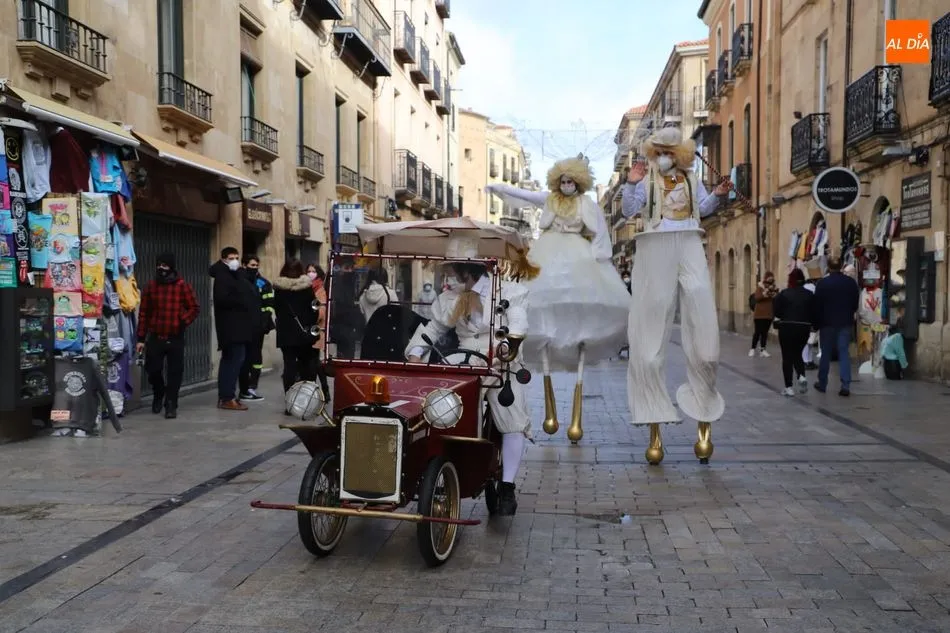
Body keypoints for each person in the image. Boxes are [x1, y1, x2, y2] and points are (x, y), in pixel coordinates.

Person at [485, 154, 628, 444]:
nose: (566, 186)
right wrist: (499, 189)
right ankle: (550, 407)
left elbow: (600, 231)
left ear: (579, 183)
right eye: (562, 181)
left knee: (578, 300)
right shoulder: (549, 200)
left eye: (571, 181)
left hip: (578, 256)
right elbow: (524, 195)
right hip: (548, 255)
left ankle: (575, 404)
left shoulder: (586, 204)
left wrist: (602, 258)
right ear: (557, 182)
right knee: (541, 301)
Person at [621, 126, 732, 465]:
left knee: (700, 302)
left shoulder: (690, 179)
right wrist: (630, 182)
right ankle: (653, 408)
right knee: (653, 324)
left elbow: (705, 207)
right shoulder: (647, 181)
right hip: (656, 247)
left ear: (681, 153)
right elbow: (628, 211)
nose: (666, 157)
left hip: (688, 243)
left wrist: (720, 194)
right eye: (660, 152)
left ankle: (703, 398)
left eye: (671, 151)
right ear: (654, 154)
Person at [405, 233, 532, 516]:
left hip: (500, 360)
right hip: (464, 359)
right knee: (440, 402)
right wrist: (415, 353)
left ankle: (508, 486)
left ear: (466, 268)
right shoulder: (450, 297)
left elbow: (519, 322)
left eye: (452, 267)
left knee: (512, 418)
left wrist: (509, 345)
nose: (448, 273)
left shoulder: (509, 291)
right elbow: (432, 329)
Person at [135, 252, 199, 419]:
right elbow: (144, 313)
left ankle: (171, 403)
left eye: (164, 265)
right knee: (153, 369)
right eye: (159, 265)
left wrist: (182, 320)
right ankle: (158, 392)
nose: (161, 268)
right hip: (156, 336)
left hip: (175, 335)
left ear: (171, 267)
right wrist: (141, 338)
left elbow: (194, 307)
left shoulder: (182, 286)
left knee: (175, 372)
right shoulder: (151, 286)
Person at [209, 246, 258, 411]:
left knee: (236, 361)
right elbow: (223, 300)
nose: (235, 261)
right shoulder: (223, 277)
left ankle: (228, 395)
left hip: (239, 327)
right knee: (232, 361)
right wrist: (241, 298)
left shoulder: (234, 275)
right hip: (231, 328)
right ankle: (226, 397)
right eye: (231, 258)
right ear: (223, 259)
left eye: (236, 257)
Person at [273, 259, 321, 407]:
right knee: (305, 366)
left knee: (289, 367)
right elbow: (314, 308)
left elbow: (277, 309)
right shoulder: (306, 288)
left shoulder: (279, 289)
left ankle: (289, 401)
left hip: (286, 334)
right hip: (304, 333)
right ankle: (304, 399)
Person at [812, 257, 860, 396]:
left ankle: (822, 383)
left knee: (825, 353)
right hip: (844, 322)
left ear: (828, 266)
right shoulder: (850, 283)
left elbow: (817, 305)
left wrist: (816, 323)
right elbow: (855, 303)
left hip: (827, 323)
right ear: (841, 266)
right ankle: (845, 385)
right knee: (844, 352)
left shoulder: (822, 283)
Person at [772, 268, 815, 396]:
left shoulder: (784, 294)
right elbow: (814, 312)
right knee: (797, 353)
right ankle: (801, 376)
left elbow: (777, 312)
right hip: (803, 328)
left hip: (787, 327)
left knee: (787, 357)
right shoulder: (809, 295)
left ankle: (789, 387)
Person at [238, 254, 275, 402]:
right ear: (244, 264)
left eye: (256, 265)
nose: (254, 268)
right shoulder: (239, 281)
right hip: (242, 326)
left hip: (258, 327)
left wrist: (264, 322)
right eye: (252, 265)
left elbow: (269, 304)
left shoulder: (263, 283)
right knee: (243, 357)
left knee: (255, 357)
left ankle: (252, 384)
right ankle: (243, 386)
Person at [328, 255, 363, 359]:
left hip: (348, 329)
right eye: (346, 268)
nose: (350, 271)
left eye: (351, 268)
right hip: (340, 328)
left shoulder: (354, 283)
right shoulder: (336, 284)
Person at [306, 263, 331, 401]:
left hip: (316, 330)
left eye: (313, 271)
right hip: (308, 331)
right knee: (314, 362)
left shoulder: (320, 289)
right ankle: (323, 390)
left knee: (314, 362)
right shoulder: (306, 288)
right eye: (309, 271)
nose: (311, 273)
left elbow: (321, 312)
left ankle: (319, 390)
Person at [750, 272, 777, 357]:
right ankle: (752, 349)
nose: (771, 279)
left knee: (765, 333)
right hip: (759, 314)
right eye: (769, 277)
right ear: (766, 278)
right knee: (757, 332)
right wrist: (766, 292)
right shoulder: (760, 287)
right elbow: (757, 297)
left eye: (772, 277)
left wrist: (774, 293)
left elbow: (775, 298)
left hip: (768, 314)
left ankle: (763, 349)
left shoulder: (774, 287)